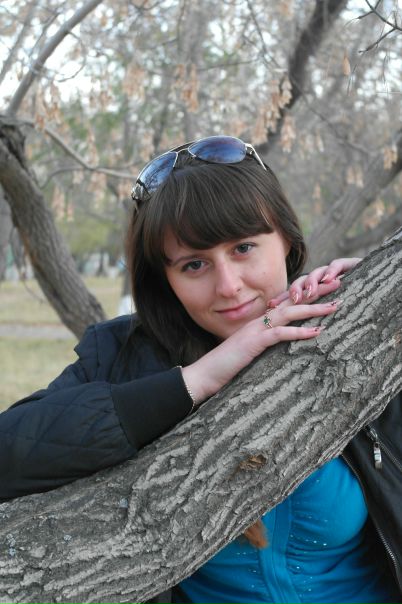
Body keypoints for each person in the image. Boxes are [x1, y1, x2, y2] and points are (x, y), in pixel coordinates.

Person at [0, 135, 400, 604]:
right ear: (165, 279)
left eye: (244, 248)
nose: (228, 286)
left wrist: (379, 305)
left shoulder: (346, 334)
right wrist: (197, 380)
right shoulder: (119, 355)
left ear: (287, 241)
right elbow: (12, 452)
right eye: (194, 265)